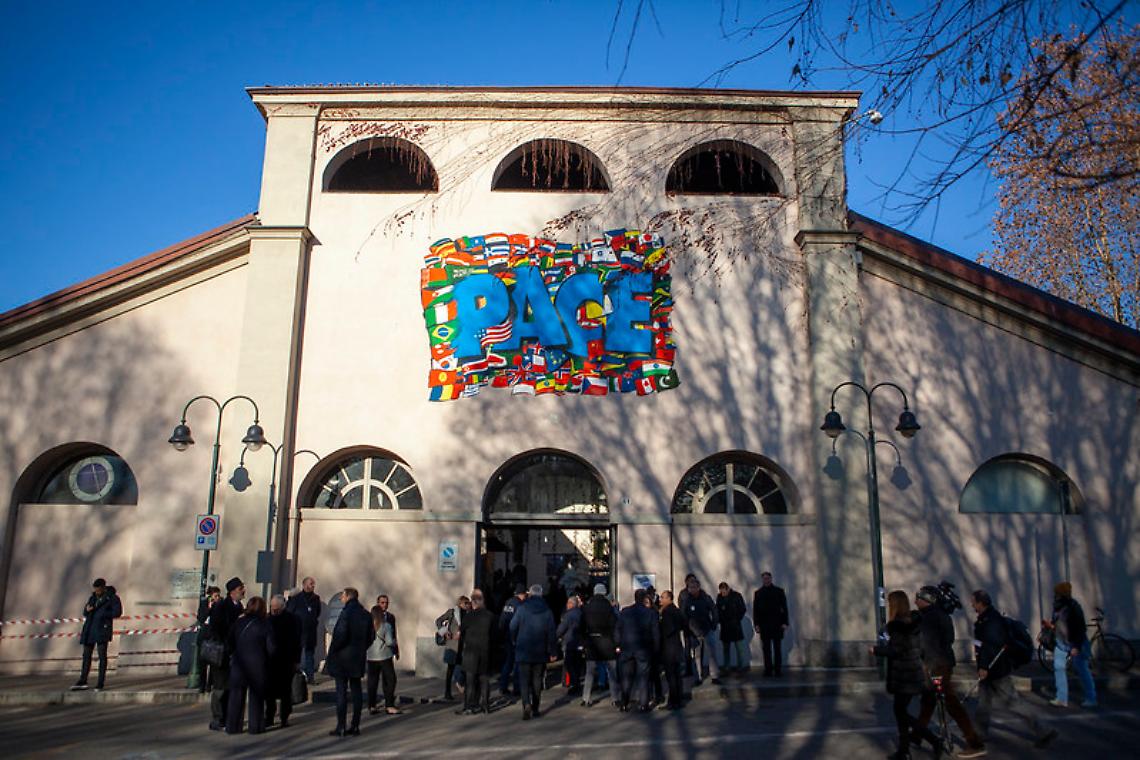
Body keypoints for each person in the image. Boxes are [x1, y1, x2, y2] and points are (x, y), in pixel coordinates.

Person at [971, 590, 1058, 749]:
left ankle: (1044, 730)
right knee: (983, 702)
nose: (972, 604)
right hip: (991, 669)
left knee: (1013, 703)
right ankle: (979, 734)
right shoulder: (986, 619)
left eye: (973, 602)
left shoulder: (991, 621)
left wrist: (983, 667)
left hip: (996, 670)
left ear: (980, 603)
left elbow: (989, 646)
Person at [910, 586, 985, 757]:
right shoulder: (941, 615)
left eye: (918, 598)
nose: (915, 601)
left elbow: (925, 645)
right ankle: (916, 736)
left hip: (936, 666)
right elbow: (948, 639)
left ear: (927, 600)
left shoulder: (929, 618)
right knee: (928, 703)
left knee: (951, 703)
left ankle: (975, 742)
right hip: (942, 663)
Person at [871, 591, 940, 760]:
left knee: (900, 712)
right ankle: (904, 750)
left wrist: (876, 650)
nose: (888, 606)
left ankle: (933, 740)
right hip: (913, 672)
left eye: (890, 603)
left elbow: (896, 650)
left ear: (895, 605)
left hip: (903, 675)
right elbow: (920, 649)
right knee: (900, 711)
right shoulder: (915, 623)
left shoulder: (897, 626)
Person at [326, 587, 375, 737]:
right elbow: (370, 637)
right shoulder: (366, 615)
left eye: (343, 596)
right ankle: (355, 725)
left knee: (341, 692)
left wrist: (333, 652)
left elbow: (340, 635)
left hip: (342, 658)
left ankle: (341, 726)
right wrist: (361, 648)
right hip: (357, 657)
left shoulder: (346, 613)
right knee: (356, 691)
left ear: (348, 597)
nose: (341, 598)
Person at [226, 596, 276, 735]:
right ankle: (256, 726)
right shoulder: (265, 624)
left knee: (236, 697)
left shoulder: (239, 622)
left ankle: (233, 726)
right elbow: (271, 647)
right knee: (256, 698)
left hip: (239, 664)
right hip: (257, 665)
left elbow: (230, 641)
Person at [1045, 581, 1097, 709]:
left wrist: (1077, 647)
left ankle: (1091, 698)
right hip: (1061, 642)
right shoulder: (1057, 607)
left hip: (1075, 643)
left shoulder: (1073, 607)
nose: (1055, 595)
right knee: (1059, 668)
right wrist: (1050, 626)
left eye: (1057, 593)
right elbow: (1057, 623)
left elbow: (1080, 628)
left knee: (1082, 670)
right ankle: (1062, 698)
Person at [510, 583, 557, 720]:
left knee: (524, 680)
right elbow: (552, 633)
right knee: (537, 679)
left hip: (523, 649)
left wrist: (514, 640)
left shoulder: (522, 608)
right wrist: (553, 651)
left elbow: (512, 626)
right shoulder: (547, 611)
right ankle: (536, 707)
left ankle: (526, 704)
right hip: (540, 650)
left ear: (530, 594)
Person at [71, 578, 123, 692]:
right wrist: (87, 609)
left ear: (103, 588)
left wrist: (103, 614)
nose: (97, 592)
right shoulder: (93, 597)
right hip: (89, 629)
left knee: (102, 656)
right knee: (86, 656)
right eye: (95, 590)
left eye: (98, 590)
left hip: (102, 629)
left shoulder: (112, 598)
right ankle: (83, 680)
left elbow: (117, 612)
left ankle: (100, 683)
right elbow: (85, 611)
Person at [209, 577, 245, 731]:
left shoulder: (239, 606)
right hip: (222, 653)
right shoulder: (222, 607)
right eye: (240, 588)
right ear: (232, 592)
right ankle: (217, 718)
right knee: (220, 688)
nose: (243, 591)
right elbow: (217, 628)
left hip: (234, 653)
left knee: (230, 687)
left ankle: (228, 716)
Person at [617, 588, 660, 712]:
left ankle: (624, 703)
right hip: (643, 649)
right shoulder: (650, 613)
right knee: (643, 677)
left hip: (627, 648)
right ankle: (643, 703)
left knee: (626, 677)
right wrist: (655, 650)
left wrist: (618, 644)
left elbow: (618, 629)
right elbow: (655, 634)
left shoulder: (625, 612)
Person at [580, 583, 621, 707]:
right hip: (607, 642)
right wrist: (617, 643)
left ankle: (586, 698)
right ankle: (615, 698)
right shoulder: (609, 607)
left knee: (590, 672)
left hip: (592, 642)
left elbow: (582, 627)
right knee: (612, 672)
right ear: (604, 593)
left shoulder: (587, 607)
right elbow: (615, 626)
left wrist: (584, 642)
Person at [456, 589, 497, 715]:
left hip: (470, 653)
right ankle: (485, 705)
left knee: (470, 681)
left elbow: (461, 634)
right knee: (484, 680)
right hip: (485, 652)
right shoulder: (490, 616)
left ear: (473, 602)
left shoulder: (468, 616)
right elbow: (495, 635)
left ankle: (469, 706)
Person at [265, 594, 301, 729]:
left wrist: (296, 659)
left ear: (282, 607)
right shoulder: (268, 619)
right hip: (272, 660)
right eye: (272, 608)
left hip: (286, 660)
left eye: (276, 608)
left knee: (285, 691)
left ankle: (284, 717)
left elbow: (297, 641)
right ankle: (269, 716)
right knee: (270, 692)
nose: (274, 611)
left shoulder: (291, 620)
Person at [680, 576, 719, 684]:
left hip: (707, 629)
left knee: (712, 653)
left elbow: (714, 610)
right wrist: (690, 628)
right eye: (690, 587)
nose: (692, 589)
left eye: (694, 587)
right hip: (694, 632)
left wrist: (714, 623)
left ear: (698, 587)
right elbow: (683, 615)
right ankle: (698, 677)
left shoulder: (706, 598)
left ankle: (714, 676)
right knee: (696, 656)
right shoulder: (686, 600)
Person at [367, 595, 401, 715]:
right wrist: (394, 645)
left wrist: (397, 651)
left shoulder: (388, 617)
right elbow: (391, 640)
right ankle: (388, 704)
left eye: (386, 602)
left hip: (371, 656)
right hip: (384, 655)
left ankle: (372, 705)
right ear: (378, 603)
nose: (385, 605)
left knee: (373, 680)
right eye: (382, 603)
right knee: (390, 679)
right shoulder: (385, 625)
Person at [285, 576, 322, 684]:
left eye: (313, 584)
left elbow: (317, 612)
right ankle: (293, 677)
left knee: (310, 655)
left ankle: (310, 677)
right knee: (296, 655)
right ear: (305, 585)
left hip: (310, 632)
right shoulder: (297, 599)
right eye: (311, 583)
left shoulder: (316, 599)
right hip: (298, 631)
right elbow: (290, 612)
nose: (313, 586)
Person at [752, 571, 789, 677]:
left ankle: (777, 670)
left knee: (777, 649)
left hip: (777, 624)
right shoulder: (758, 593)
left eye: (768, 578)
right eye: (764, 578)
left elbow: (784, 608)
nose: (766, 580)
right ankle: (768, 669)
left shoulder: (779, 591)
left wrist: (785, 622)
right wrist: (756, 624)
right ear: (762, 580)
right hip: (764, 626)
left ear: (771, 579)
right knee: (766, 649)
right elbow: (756, 611)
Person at [436, 596, 470, 701]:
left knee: (464, 667)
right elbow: (438, 621)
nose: (467, 605)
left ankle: (460, 683)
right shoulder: (452, 612)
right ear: (460, 603)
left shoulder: (469, 614)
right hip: (453, 645)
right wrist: (445, 633)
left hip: (463, 645)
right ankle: (447, 692)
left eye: (468, 603)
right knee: (450, 670)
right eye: (465, 603)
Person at [658, 590, 687, 709]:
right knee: (676, 676)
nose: (660, 600)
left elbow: (667, 630)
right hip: (676, 646)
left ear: (669, 599)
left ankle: (673, 702)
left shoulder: (667, 612)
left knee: (672, 677)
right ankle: (677, 700)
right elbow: (683, 624)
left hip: (669, 648)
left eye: (662, 597)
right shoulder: (676, 610)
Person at [498, 584, 527, 697]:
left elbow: (502, 620)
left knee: (508, 662)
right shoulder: (520, 605)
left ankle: (502, 686)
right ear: (522, 594)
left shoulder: (508, 602)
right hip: (517, 637)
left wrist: (502, 634)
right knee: (517, 664)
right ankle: (516, 688)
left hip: (507, 636)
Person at [194, 586, 222, 694]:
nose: (217, 598)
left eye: (218, 595)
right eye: (215, 596)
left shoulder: (220, 604)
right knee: (202, 663)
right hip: (205, 636)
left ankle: (210, 684)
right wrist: (209, 608)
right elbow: (201, 618)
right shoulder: (204, 604)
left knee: (213, 662)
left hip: (214, 636)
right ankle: (202, 684)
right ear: (210, 596)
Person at [716, 582, 748, 673]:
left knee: (739, 648)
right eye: (721, 592)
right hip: (725, 626)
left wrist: (737, 619)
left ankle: (741, 666)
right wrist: (719, 620)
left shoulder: (737, 596)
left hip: (735, 626)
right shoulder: (719, 597)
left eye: (724, 592)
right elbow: (717, 610)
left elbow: (742, 609)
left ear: (728, 589)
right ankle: (727, 666)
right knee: (726, 648)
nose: (723, 594)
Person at [557, 595, 584, 693]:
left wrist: (556, 637)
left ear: (571, 604)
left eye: (568, 603)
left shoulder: (568, 615)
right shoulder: (581, 613)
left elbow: (561, 628)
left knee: (570, 665)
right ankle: (576, 684)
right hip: (580, 643)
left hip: (570, 643)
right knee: (577, 665)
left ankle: (574, 684)